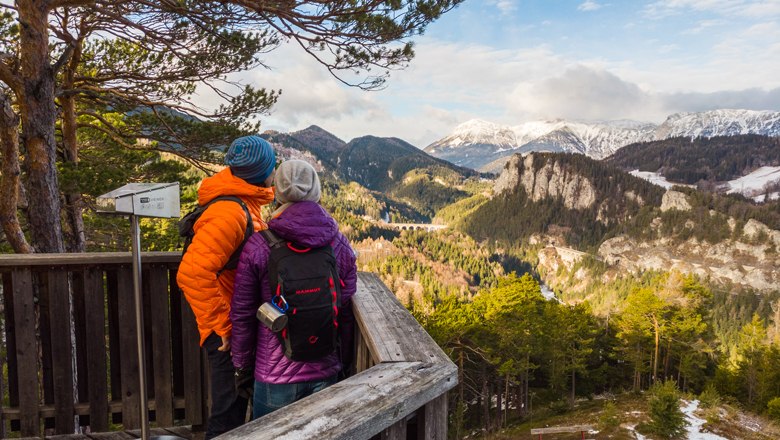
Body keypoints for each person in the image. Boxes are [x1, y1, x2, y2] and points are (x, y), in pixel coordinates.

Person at [230, 159, 357, 420]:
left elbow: (242, 314)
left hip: (274, 375)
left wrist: (241, 365)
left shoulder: (258, 246)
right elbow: (344, 309)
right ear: (317, 192)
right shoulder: (339, 244)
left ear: (277, 192)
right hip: (326, 368)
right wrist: (343, 361)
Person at [176, 135, 276, 438]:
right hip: (226, 332)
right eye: (273, 165)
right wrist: (222, 326)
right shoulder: (229, 212)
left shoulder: (242, 202)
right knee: (228, 413)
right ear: (262, 172)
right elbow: (192, 273)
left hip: (234, 325)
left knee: (234, 405)